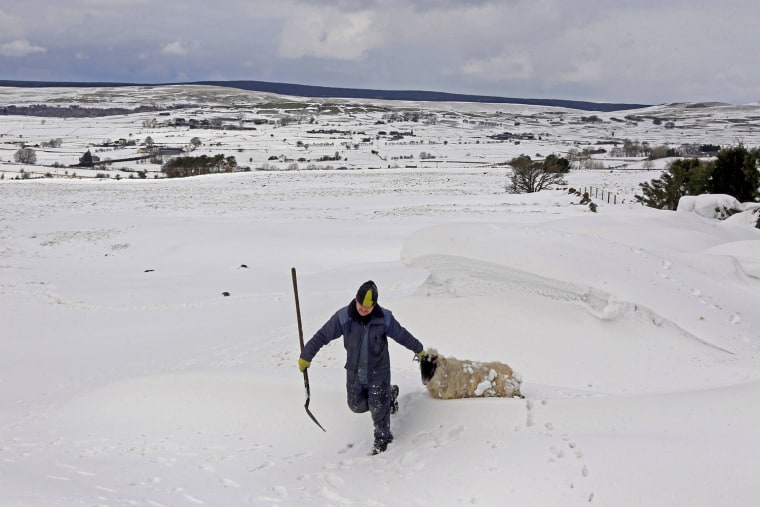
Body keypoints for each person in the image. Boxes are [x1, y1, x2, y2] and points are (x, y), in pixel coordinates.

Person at [298, 280, 424, 454]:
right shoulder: (343, 317)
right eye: (360, 305)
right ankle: (390, 394)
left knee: (377, 406)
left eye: (368, 307)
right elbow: (322, 336)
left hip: (378, 372)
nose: (363, 310)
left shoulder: (384, 318)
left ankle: (383, 437)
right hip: (355, 372)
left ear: (374, 305)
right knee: (355, 406)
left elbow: (402, 335)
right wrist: (306, 355)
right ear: (355, 299)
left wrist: (420, 350)